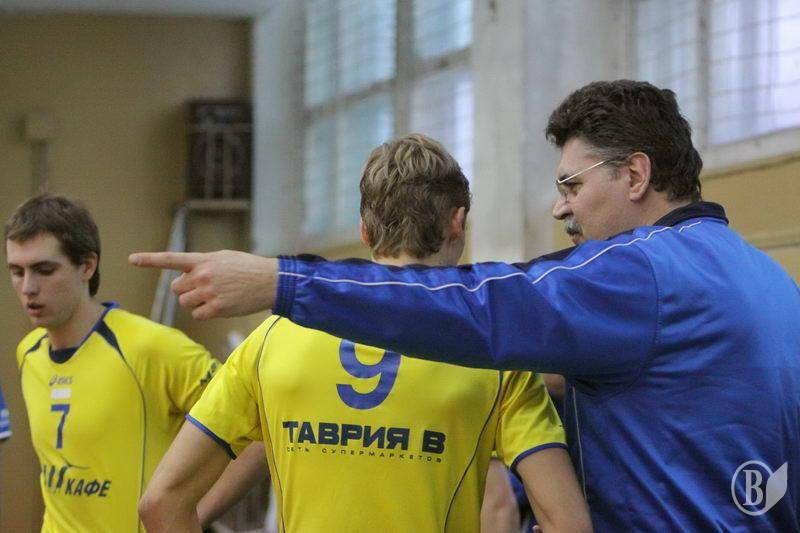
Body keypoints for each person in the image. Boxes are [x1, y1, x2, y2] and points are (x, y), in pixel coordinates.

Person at [131, 80, 800, 530]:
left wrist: (282, 281)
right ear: (459, 222)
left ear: (635, 173)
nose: (560, 206)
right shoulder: (768, 280)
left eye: (571, 184)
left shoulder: (639, 273)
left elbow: (486, 308)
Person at [137, 134, 591, 532]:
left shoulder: (270, 340)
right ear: (457, 222)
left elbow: (161, 502)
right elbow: (567, 522)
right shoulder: (495, 356)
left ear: (365, 230)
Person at [5, 194, 220, 532]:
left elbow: (255, 426)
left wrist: (192, 513)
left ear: (87, 266)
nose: (28, 287)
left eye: (44, 270)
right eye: (17, 272)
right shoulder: (28, 352)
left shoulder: (150, 347)